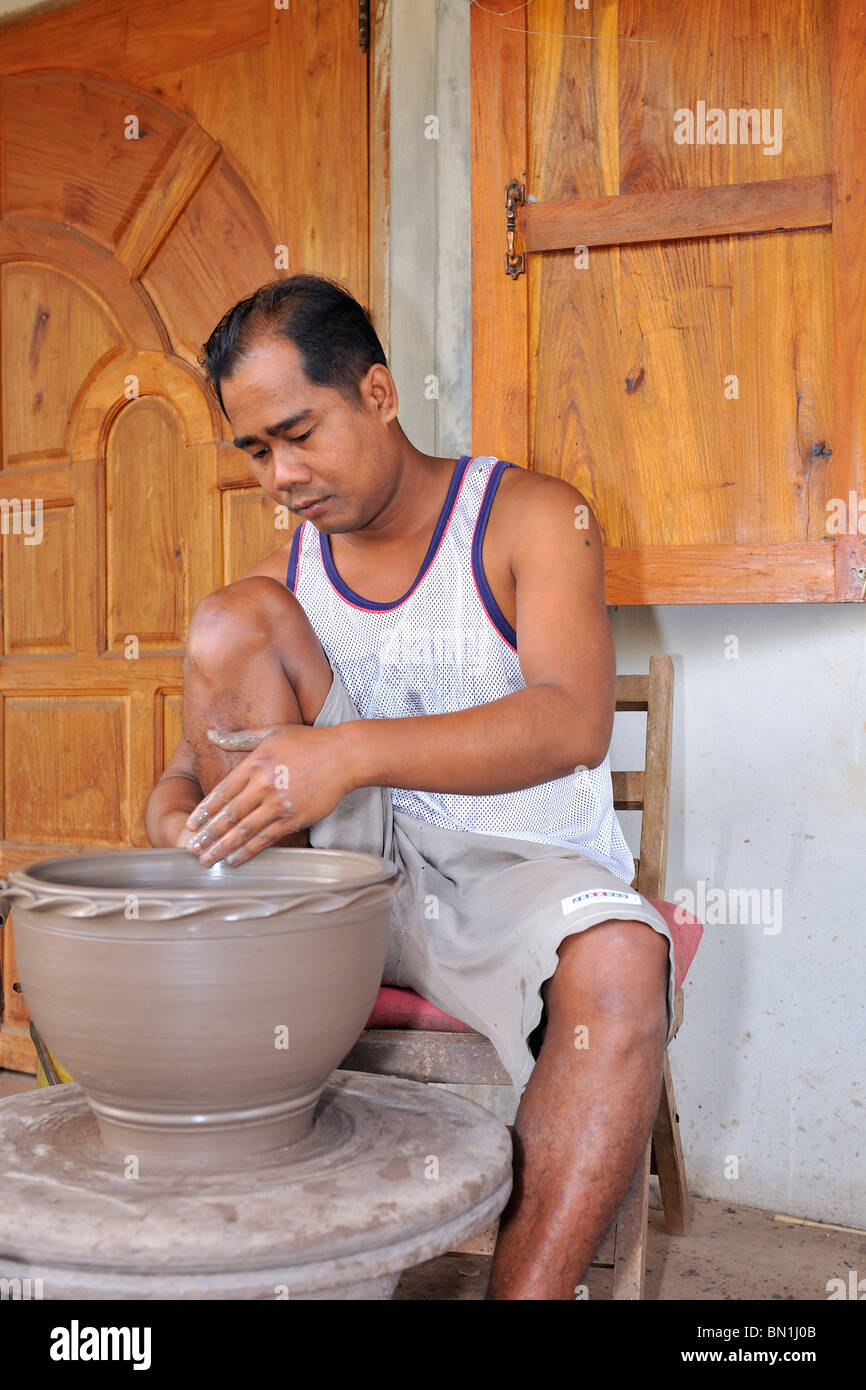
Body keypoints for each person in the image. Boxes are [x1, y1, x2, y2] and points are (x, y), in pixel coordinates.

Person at [145, 274, 675, 1301]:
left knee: (620, 964)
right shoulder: (283, 573)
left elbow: (571, 720)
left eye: (298, 432)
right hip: (333, 887)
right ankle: (276, 1262)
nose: (280, 475)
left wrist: (351, 752)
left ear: (378, 393)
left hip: (510, 875)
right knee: (223, 622)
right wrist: (178, 818)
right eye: (255, 450)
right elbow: (189, 764)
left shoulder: (531, 518)